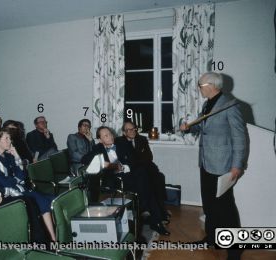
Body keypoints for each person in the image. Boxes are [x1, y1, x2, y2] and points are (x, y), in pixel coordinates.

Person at [180, 72, 246, 260]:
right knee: (209, 205)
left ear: (210, 85)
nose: (198, 88)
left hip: (223, 165)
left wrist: (237, 165)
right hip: (206, 162)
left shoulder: (229, 105)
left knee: (225, 208)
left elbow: (239, 137)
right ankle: (212, 238)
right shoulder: (207, 103)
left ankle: (235, 248)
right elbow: (202, 127)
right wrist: (189, 128)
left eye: (200, 85)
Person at [81, 126, 170, 235]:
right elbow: (84, 159)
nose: (110, 137)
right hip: (114, 180)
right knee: (146, 185)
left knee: (143, 176)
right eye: (106, 135)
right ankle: (152, 217)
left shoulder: (122, 144)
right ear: (100, 140)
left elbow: (135, 159)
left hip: (129, 174)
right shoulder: (98, 148)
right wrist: (101, 162)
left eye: (110, 134)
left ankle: (146, 213)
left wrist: (125, 167)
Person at [0, 130, 56, 241]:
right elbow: (4, 182)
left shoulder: (8, 155)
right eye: (6, 138)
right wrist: (17, 178)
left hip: (18, 188)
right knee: (43, 201)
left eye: (9, 138)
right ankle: (53, 240)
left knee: (53, 199)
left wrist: (16, 154)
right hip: (5, 193)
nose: (10, 141)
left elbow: (23, 174)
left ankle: (54, 235)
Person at [115, 121, 168, 218]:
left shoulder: (142, 139)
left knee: (159, 177)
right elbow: (124, 159)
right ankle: (145, 208)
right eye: (129, 130)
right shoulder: (119, 141)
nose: (132, 131)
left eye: (134, 128)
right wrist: (138, 159)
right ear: (124, 132)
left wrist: (137, 160)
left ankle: (161, 207)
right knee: (144, 177)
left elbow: (149, 156)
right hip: (132, 171)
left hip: (146, 167)